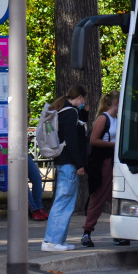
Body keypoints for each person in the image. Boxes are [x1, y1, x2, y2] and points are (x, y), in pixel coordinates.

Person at [41, 85, 88, 252]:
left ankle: (57, 239)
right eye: (84, 99)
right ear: (80, 97)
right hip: (69, 163)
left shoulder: (63, 111)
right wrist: (80, 164)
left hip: (63, 161)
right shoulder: (71, 113)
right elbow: (73, 141)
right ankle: (52, 241)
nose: (84, 103)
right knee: (64, 202)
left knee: (64, 201)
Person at [82, 91, 119, 248]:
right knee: (100, 195)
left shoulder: (117, 119)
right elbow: (93, 140)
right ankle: (87, 232)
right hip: (103, 161)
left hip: (114, 161)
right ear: (116, 102)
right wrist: (115, 145)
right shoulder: (104, 118)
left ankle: (118, 232)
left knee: (115, 197)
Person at [27, 154, 47, 221]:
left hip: (24, 153)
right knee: (22, 183)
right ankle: (33, 210)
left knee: (37, 179)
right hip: (11, 155)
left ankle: (39, 207)